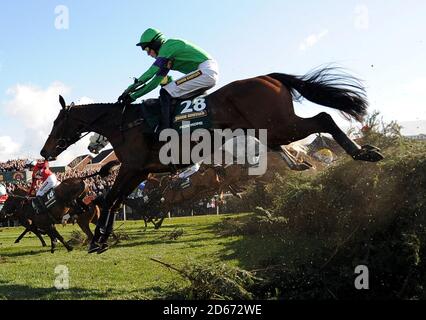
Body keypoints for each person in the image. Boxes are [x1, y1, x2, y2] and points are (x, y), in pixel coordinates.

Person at [118, 28, 219, 134]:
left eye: (148, 49)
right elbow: (154, 83)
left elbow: (151, 72)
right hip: (205, 72)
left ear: (155, 44)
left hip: (205, 71)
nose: (148, 54)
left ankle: (165, 129)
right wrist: (133, 96)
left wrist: (128, 90)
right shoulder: (167, 57)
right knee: (169, 91)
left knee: (165, 92)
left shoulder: (168, 46)